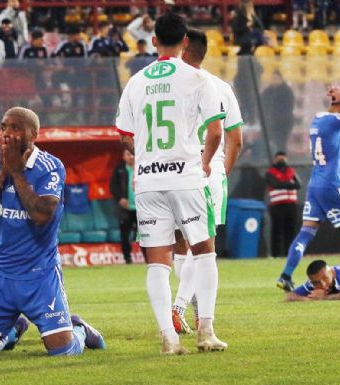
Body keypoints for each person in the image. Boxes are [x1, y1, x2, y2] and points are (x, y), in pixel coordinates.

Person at [115, 13, 226, 355]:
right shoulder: (197, 78)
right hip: (186, 178)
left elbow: (125, 136)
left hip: (148, 183)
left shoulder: (135, 81)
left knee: (157, 264)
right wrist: (205, 162)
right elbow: (215, 130)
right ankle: (205, 332)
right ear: (186, 42)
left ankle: (168, 338)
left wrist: (146, 156)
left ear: (153, 42)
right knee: (204, 253)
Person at [0, 107, 104, 356]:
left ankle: (80, 329)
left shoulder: (50, 167)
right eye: (3, 127)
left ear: (34, 134)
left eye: (15, 128)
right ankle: (13, 330)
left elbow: (41, 215)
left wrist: (17, 172)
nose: (7, 133)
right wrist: (3, 174)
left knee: (63, 352)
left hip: (40, 275)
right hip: (0, 275)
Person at [170, 28, 243, 335]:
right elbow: (234, 140)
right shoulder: (220, 87)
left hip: (171, 172)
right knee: (204, 247)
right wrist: (218, 170)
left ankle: (196, 311)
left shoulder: (165, 86)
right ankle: (180, 305)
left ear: (182, 48)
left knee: (180, 245)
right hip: (206, 170)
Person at [276, 86, 340, 292]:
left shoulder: (317, 119)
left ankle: (286, 275)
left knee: (306, 231)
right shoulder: (332, 120)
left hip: (315, 184)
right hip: (332, 184)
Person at [265, 151, 301, 258]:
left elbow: (298, 185)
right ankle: (275, 254)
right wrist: (289, 184)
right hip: (277, 205)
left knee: (290, 229)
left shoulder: (291, 171)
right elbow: (275, 184)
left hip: (291, 205)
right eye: (279, 159)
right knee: (277, 230)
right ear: (275, 160)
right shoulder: (270, 172)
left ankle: (288, 253)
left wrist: (284, 184)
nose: (282, 161)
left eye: (283, 159)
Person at [110, 149, 137, 265]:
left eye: (132, 154)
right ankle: (127, 258)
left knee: (145, 234)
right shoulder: (119, 169)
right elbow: (113, 186)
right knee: (125, 234)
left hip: (141, 208)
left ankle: (148, 257)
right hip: (126, 209)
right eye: (128, 154)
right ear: (123, 156)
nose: (130, 156)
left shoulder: (141, 167)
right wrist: (120, 198)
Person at [261, 71, 295, 154]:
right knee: (270, 142)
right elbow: (262, 105)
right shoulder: (267, 92)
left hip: (283, 122)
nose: (274, 80)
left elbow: (289, 106)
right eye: (273, 78)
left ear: (281, 79)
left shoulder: (287, 91)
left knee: (281, 143)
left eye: (276, 78)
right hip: (269, 122)